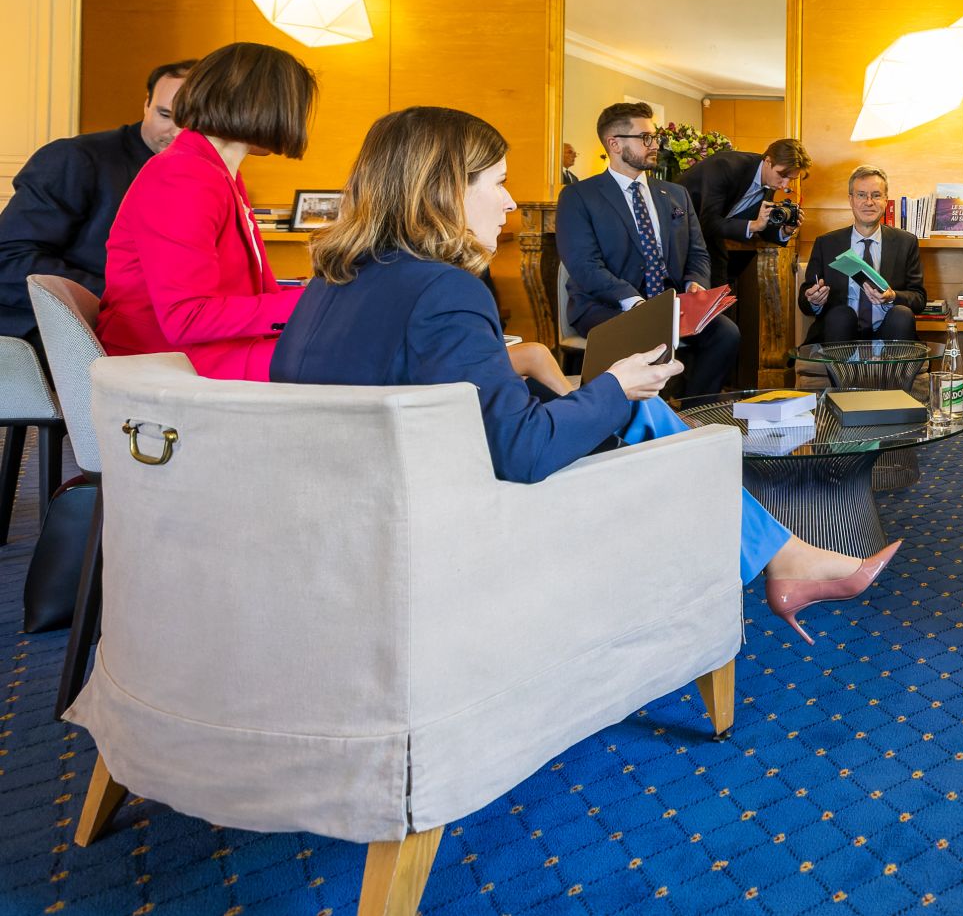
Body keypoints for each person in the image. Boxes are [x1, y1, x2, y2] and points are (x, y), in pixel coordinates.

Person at [270, 106, 898, 643]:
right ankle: (785, 557)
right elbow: (521, 450)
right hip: (451, 512)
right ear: (443, 190)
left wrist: (556, 374)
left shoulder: (331, 282)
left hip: (353, 505)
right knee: (641, 409)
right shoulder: (446, 290)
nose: (511, 202)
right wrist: (615, 385)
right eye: (498, 182)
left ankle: (784, 554)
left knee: (642, 407)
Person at [98, 43, 315, 381]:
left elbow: (257, 294)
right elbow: (187, 317)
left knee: (359, 345)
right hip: (166, 361)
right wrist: (317, 304)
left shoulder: (217, 172)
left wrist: (328, 298)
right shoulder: (183, 176)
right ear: (268, 106)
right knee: (359, 356)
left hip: (202, 350)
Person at [0, 59, 193, 352]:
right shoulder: (76, 158)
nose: (176, 133)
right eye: (165, 115)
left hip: (153, 326)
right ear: (146, 104)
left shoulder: (197, 174)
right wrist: (120, 301)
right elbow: (9, 258)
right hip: (55, 330)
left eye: (193, 122)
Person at [556, 102, 739, 398]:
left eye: (654, 137)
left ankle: (693, 413)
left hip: (672, 304)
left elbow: (698, 252)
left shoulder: (675, 193)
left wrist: (696, 284)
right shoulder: (579, 197)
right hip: (608, 307)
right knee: (648, 333)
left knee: (725, 333)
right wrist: (635, 303)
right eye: (645, 138)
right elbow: (584, 265)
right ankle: (651, 424)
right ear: (614, 143)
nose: (655, 145)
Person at [797, 164, 926, 344]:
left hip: (889, 332)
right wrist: (814, 301)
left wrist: (893, 297)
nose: (869, 202)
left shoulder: (906, 242)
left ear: (886, 200)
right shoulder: (826, 244)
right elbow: (805, 301)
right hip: (841, 333)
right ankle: (845, 372)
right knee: (840, 315)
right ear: (851, 199)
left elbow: (919, 299)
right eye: (861, 195)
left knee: (902, 314)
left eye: (876, 195)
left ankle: (891, 372)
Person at [679, 138, 810, 288]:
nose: (785, 185)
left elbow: (762, 226)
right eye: (782, 175)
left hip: (710, 241)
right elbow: (708, 222)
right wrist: (754, 225)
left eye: (791, 179)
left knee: (720, 291)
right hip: (679, 234)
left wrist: (785, 231)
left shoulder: (770, 182)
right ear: (768, 161)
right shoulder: (725, 166)